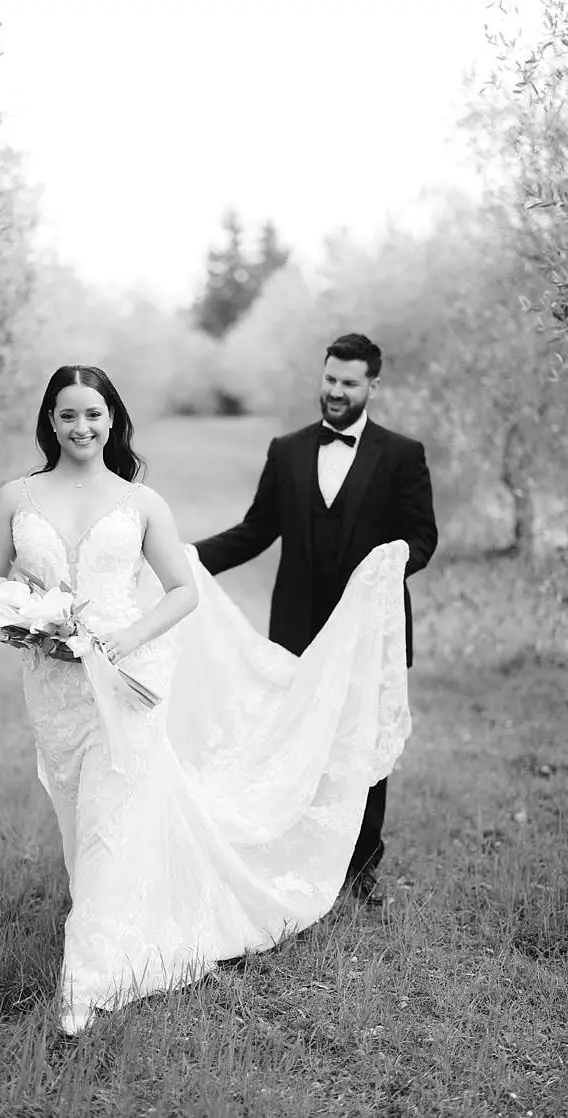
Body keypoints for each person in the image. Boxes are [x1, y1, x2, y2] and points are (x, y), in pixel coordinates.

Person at [0, 365, 414, 1034]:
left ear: (113, 419)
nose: (82, 426)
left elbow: (182, 592)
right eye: (68, 415)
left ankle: (89, 981)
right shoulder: (15, 496)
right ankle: (123, 914)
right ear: (51, 422)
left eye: (94, 413)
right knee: (79, 817)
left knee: (110, 814)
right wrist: (23, 626)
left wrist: (125, 638)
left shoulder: (142, 503)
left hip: (128, 680)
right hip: (54, 682)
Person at [194, 333, 437, 905]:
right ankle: (294, 846)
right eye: (330, 379)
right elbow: (255, 531)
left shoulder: (402, 454)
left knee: (363, 744)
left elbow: (422, 536)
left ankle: (360, 867)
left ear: (372, 385)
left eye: (349, 383)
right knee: (299, 739)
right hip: (298, 628)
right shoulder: (287, 450)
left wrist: (393, 559)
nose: (336, 391)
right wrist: (184, 560)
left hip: (370, 631)